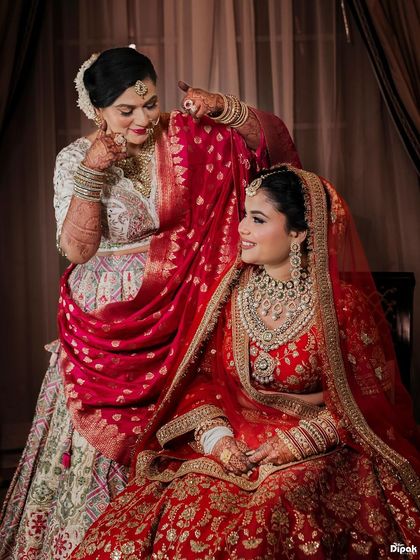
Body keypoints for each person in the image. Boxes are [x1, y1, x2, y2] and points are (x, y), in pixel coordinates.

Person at [0, 48, 300, 559]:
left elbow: (270, 149)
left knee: (186, 424)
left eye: (150, 103)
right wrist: (93, 172)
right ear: (97, 110)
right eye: (126, 110)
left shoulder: (184, 138)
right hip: (106, 318)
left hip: (179, 304)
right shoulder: (75, 158)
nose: (142, 118)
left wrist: (224, 108)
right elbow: (76, 250)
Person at [71, 165, 420, 559]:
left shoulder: (341, 306)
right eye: (244, 216)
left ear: (298, 233)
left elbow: (372, 402)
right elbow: (200, 381)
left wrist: (301, 441)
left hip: (314, 449)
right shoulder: (230, 297)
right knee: (188, 504)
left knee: (274, 506)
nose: (242, 228)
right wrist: (217, 440)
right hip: (235, 441)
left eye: (258, 219)